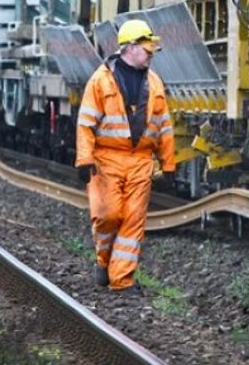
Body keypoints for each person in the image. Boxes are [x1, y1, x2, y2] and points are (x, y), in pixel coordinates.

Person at [75, 19, 175, 292]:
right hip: (106, 160)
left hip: (140, 161)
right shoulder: (101, 80)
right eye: (147, 48)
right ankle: (103, 261)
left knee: (133, 220)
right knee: (107, 215)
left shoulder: (154, 83)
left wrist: (168, 163)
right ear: (130, 48)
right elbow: (85, 123)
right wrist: (84, 159)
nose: (152, 53)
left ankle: (122, 280)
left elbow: (164, 125)